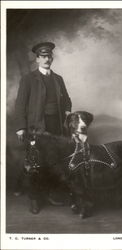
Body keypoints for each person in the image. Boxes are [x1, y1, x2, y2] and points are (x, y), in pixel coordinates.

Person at [15, 42, 72, 214]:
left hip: (56, 127)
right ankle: (34, 199)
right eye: (43, 56)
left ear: (52, 58)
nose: (47, 59)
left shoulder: (58, 79)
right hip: (36, 128)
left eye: (49, 56)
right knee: (35, 164)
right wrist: (20, 127)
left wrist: (67, 112)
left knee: (53, 162)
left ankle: (50, 195)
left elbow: (67, 100)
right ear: (37, 59)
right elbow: (20, 105)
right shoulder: (28, 79)